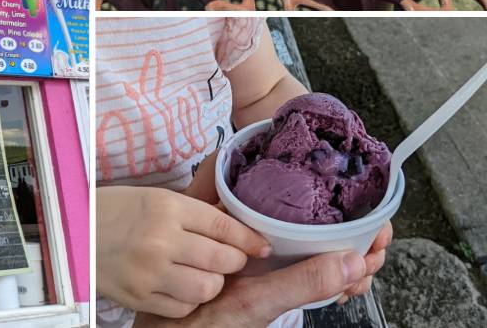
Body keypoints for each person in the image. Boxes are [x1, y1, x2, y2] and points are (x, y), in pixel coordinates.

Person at [95, 17, 392, 328]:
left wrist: (346, 187)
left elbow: (263, 92)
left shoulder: (215, 13)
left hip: (262, 269)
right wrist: (91, 231)